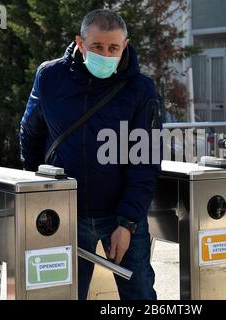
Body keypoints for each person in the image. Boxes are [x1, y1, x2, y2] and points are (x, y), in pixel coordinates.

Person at [19, 8, 162, 300]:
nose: (106, 54)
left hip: (121, 216)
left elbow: (145, 162)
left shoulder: (140, 89)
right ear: (80, 43)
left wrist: (127, 223)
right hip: (64, 214)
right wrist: (40, 198)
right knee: (61, 295)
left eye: (114, 48)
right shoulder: (50, 77)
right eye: (97, 46)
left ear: (126, 46)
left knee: (140, 295)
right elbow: (30, 134)